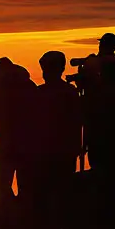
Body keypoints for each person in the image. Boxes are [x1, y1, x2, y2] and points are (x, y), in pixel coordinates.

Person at [0, 57, 37, 203]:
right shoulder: (30, 86)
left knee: (3, 191)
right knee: (27, 190)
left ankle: (3, 218)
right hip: (29, 146)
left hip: (6, 147)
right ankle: (26, 219)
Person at [34, 51, 82, 207]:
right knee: (62, 190)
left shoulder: (40, 93)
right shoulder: (71, 92)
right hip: (63, 149)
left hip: (51, 150)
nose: (44, 73)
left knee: (53, 189)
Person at [84, 61, 115, 199]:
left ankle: (104, 199)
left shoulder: (97, 91)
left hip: (101, 138)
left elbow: (90, 113)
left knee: (99, 171)